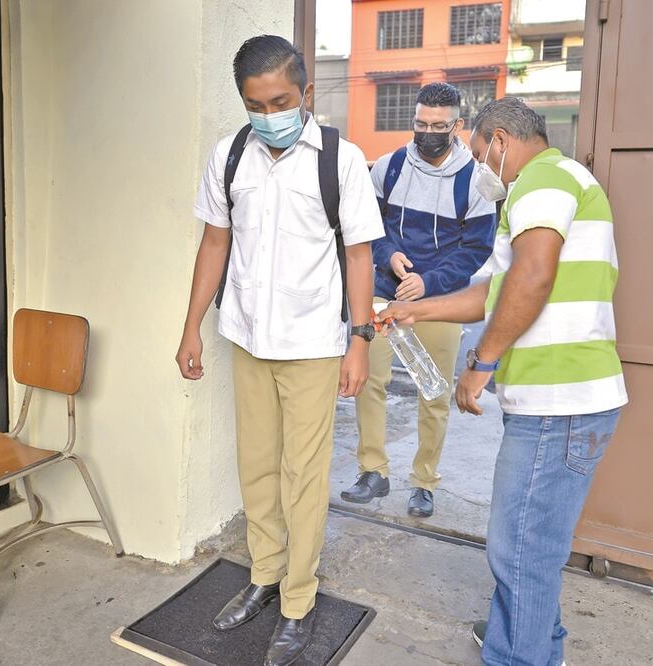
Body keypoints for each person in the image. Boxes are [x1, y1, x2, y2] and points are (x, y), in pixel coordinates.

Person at [378, 97, 627, 666]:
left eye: (477, 152)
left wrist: (481, 363)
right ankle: (537, 641)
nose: (478, 166)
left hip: (558, 400)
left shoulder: (544, 181)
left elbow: (533, 276)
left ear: (499, 141)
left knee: (517, 547)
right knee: (532, 544)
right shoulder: (538, 190)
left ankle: (518, 656)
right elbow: (490, 291)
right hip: (559, 400)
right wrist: (416, 311)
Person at [175, 35, 382, 666]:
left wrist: (360, 340)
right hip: (248, 337)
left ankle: (298, 599)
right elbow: (215, 243)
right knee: (257, 467)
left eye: (281, 101)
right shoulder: (230, 156)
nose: (270, 116)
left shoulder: (340, 161)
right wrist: (190, 328)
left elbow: (358, 255)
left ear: (306, 94)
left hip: (315, 344)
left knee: (303, 476)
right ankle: (265, 574)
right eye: (255, 104)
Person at [340, 82, 496, 518]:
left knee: (434, 390)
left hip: (439, 300)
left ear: (457, 126)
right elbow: (367, 227)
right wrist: (389, 257)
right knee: (367, 377)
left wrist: (428, 282)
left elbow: (476, 248)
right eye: (421, 124)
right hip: (384, 292)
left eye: (439, 126)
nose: (428, 132)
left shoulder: (478, 182)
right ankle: (373, 470)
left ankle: (424, 480)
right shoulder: (387, 167)